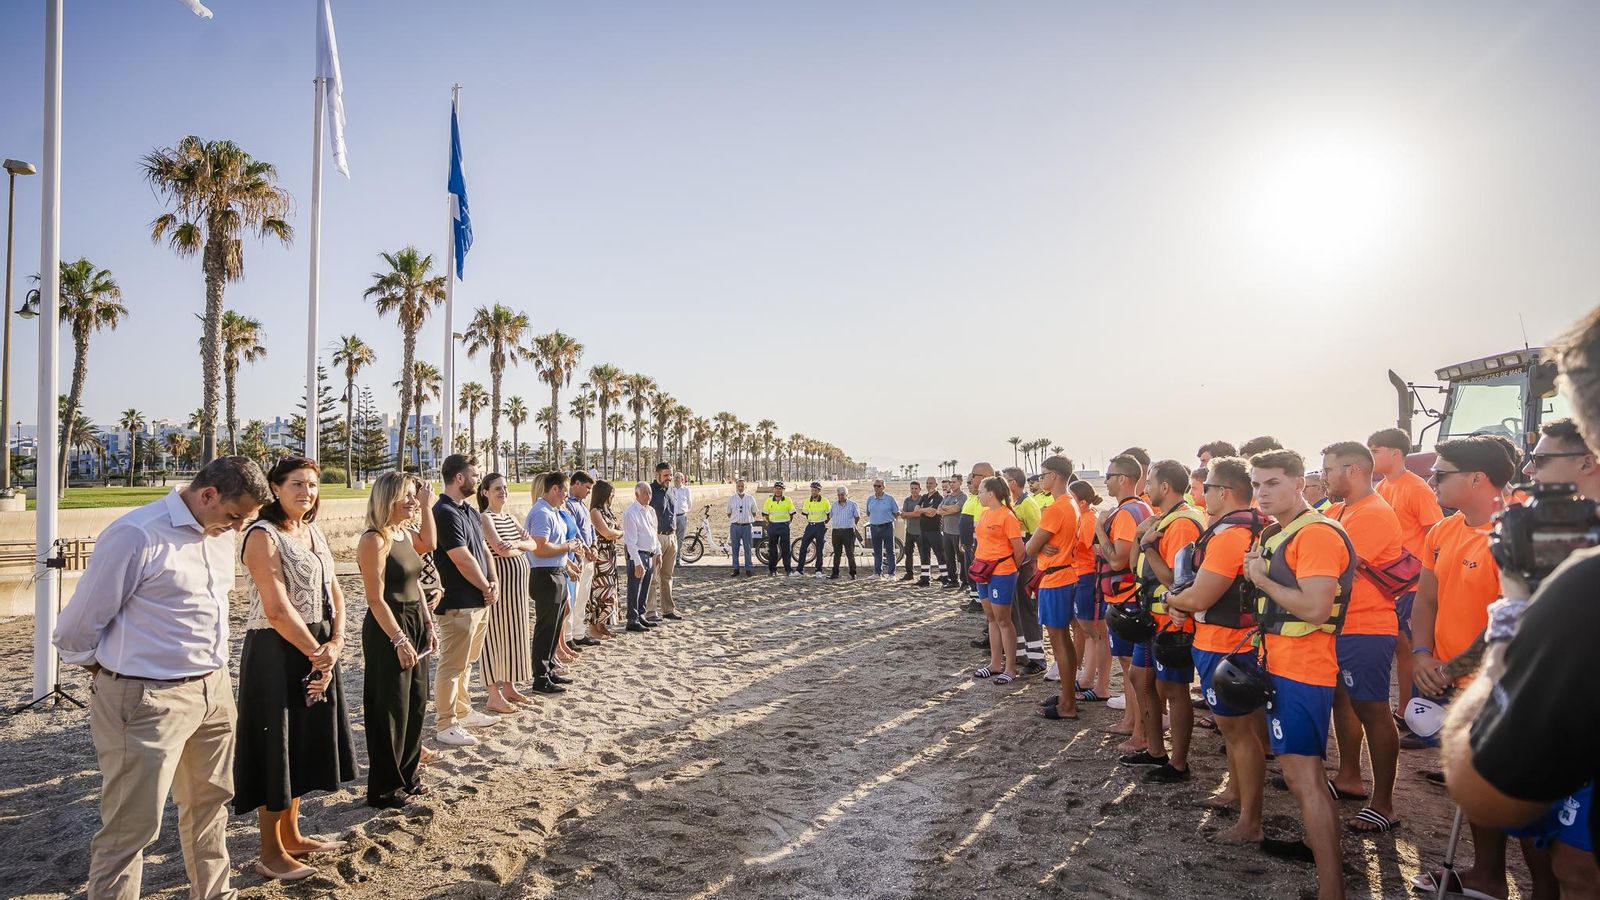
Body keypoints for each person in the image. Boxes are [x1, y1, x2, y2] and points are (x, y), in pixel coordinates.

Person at [53, 457, 272, 899]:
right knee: (131, 827)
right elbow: (75, 629)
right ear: (208, 494)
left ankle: (214, 894)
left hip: (213, 688)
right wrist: (117, 675)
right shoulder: (136, 534)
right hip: (145, 697)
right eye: (233, 516)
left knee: (211, 806)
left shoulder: (216, 534)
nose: (236, 529)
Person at [1447, 310, 1600, 885]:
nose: (1527, 470)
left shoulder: (1584, 578)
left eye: (1538, 459)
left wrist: (1515, 606)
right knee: (1569, 863)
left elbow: (1485, 792)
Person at [1412, 437, 1556, 898]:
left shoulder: (1520, 530)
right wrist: (1421, 654)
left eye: (1441, 473)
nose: (1431, 480)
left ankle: (1546, 889)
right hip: (1458, 680)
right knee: (1474, 781)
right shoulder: (1442, 530)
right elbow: (1426, 599)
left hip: (1512, 682)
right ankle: (1486, 876)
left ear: (1477, 478)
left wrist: (1452, 665)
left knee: (1522, 793)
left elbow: (1512, 614)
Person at [233, 457, 356, 880]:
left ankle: (293, 835)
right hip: (276, 650)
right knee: (275, 745)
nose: (306, 492)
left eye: (312, 485)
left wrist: (336, 641)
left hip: (319, 645)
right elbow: (276, 607)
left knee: (301, 742)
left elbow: (334, 589)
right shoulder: (261, 535)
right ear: (275, 488)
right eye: (297, 485)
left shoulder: (311, 530)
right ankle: (270, 850)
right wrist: (315, 651)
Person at [1244, 449, 1352, 900]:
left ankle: (1331, 889)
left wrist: (1262, 580)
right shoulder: (1281, 532)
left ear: (1299, 484)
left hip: (1304, 669)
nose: (1262, 493)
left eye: (1272, 483)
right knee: (1300, 775)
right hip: (1282, 662)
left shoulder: (1318, 535)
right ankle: (1321, 859)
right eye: (1256, 484)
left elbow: (1313, 607)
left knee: (1303, 777)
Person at [1164, 456, 1267, 845]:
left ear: (1222, 492)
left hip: (1224, 644)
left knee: (1238, 732)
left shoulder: (1228, 535)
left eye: (1204, 487)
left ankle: (1249, 822)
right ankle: (1236, 793)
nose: (1200, 493)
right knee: (1243, 729)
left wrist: (1175, 601)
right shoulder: (1250, 527)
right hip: (1235, 641)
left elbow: (1204, 593)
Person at [1318, 442, 1406, 835]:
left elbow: (1337, 569)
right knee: (1344, 699)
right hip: (1343, 625)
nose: (1323, 477)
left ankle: (1384, 803)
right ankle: (1349, 776)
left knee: (1373, 709)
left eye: (1328, 470)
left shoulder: (1372, 513)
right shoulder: (1340, 509)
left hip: (1366, 626)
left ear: (1353, 470)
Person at [356, 472, 436, 810]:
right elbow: (375, 599)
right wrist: (399, 639)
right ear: (387, 497)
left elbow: (425, 554)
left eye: (414, 496)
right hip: (388, 626)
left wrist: (428, 623)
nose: (413, 501)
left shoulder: (404, 533)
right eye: (406, 495)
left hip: (415, 619)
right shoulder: (374, 540)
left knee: (416, 703)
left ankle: (408, 777)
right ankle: (385, 789)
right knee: (390, 709)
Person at [1126, 459, 1205, 783]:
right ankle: (1155, 750)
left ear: (1165, 487)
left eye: (1150, 482)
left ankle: (1179, 762)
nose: (1145, 489)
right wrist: (1139, 539)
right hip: (1153, 616)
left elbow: (1178, 580)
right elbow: (1134, 567)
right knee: (1144, 680)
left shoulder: (1183, 524)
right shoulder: (1163, 520)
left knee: (1173, 688)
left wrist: (1149, 547)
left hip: (1173, 620)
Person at [1369, 426, 1444, 715]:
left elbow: (1435, 534)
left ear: (1396, 453)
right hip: (1393, 584)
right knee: (1402, 649)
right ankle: (1404, 710)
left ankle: (1417, 714)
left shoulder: (1416, 488)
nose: (1370, 456)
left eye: (1375, 451)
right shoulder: (1385, 487)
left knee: (1414, 649)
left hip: (1413, 584)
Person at [430, 454, 500, 746]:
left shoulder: (469, 511)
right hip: (458, 600)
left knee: (468, 661)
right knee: (452, 663)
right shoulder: (443, 512)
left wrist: (493, 582)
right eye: (474, 474)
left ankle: (462, 710)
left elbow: (483, 550)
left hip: (478, 599)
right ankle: (445, 722)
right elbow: (460, 557)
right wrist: (485, 585)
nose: (478, 478)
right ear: (459, 478)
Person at [1095, 454, 1153, 749]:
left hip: (1128, 599)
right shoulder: (1141, 507)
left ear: (1123, 479)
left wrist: (1098, 532)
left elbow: (1118, 560)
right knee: (1129, 666)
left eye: (1108, 475)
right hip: (1126, 597)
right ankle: (1131, 721)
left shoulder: (1128, 512)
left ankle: (1140, 733)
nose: (1104, 480)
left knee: (1134, 669)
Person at [1026, 455, 1081, 721]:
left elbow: (1029, 547)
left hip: (1056, 577)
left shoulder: (1057, 508)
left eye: (1044, 473)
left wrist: (1039, 545)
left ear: (1055, 476)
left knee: (1059, 643)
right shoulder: (1071, 504)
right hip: (1066, 574)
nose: (1040, 478)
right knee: (1064, 642)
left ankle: (1068, 704)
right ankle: (1067, 697)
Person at [477, 473, 534, 713]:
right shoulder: (485, 517)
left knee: (515, 635)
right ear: (485, 493)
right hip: (500, 587)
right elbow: (500, 548)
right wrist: (517, 547)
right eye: (497, 488)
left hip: (518, 590)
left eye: (505, 488)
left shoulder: (510, 517)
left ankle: (510, 687)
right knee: (495, 636)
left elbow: (533, 544)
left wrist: (518, 545)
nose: (503, 492)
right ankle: (493, 693)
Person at [526, 472, 583, 691]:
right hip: (545, 574)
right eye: (565, 491)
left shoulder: (551, 511)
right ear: (554, 489)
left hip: (556, 571)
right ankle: (540, 678)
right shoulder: (541, 513)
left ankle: (549, 670)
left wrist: (567, 561)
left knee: (555, 625)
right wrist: (568, 547)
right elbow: (540, 548)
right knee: (545, 628)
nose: (566, 496)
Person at [972, 476, 1025, 685]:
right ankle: (995, 664)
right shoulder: (985, 514)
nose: (979, 495)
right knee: (991, 618)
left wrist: (1012, 569)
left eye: (981, 491)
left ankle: (1010, 668)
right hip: (982, 570)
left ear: (991, 493)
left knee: (1004, 620)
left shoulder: (1007, 516)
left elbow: (1019, 550)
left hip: (1002, 571)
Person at [1068, 479, 1110, 702]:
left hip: (1088, 578)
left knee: (1094, 631)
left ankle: (1092, 680)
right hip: (1082, 576)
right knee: (1089, 631)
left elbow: (1092, 551)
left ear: (1082, 502)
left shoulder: (1088, 519)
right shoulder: (1084, 517)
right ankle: (1087, 677)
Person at [1003, 466, 1046, 675]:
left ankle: (1037, 657)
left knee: (1028, 609)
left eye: (1005, 480)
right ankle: (1021, 652)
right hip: (1015, 563)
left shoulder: (1028, 504)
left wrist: (1032, 563)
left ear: (1012, 483)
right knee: (1016, 608)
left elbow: (1038, 534)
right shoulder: (1014, 504)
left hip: (1027, 563)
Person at [566, 471, 603, 640]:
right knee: (574, 598)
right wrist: (587, 548)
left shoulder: (582, 505)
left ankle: (579, 633)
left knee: (583, 598)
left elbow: (590, 528)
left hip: (589, 555)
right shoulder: (569, 504)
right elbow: (574, 530)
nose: (589, 492)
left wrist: (594, 545)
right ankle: (569, 635)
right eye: (587, 487)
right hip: (578, 557)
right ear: (577, 484)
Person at [587, 480, 623, 639]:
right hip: (601, 556)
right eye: (611, 492)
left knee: (609, 591)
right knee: (599, 591)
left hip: (610, 554)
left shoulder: (608, 511)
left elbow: (617, 529)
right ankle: (594, 627)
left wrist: (616, 533)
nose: (613, 495)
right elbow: (607, 532)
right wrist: (617, 533)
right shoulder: (595, 511)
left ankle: (602, 625)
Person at [623, 482, 661, 631]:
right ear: (637, 494)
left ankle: (641, 614)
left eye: (650, 493)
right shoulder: (631, 512)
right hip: (637, 555)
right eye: (645, 493)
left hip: (650, 553)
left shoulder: (651, 511)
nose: (648, 496)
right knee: (634, 588)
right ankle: (632, 619)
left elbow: (654, 532)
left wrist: (658, 552)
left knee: (645, 587)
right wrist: (637, 562)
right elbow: (630, 541)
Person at [648, 463, 681, 619]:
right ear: (657, 475)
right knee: (653, 577)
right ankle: (651, 611)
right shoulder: (649, 491)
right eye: (666, 475)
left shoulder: (671, 491)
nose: (669, 478)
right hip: (656, 537)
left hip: (671, 537)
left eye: (670, 475)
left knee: (667, 576)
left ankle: (668, 610)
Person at [915, 475, 947, 585]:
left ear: (936, 485)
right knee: (924, 554)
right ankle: (925, 578)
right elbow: (916, 510)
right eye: (927, 483)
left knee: (939, 554)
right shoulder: (924, 497)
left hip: (934, 530)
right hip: (923, 530)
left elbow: (932, 513)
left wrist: (922, 510)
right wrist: (926, 509)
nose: (929, 485)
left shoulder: (938, 498)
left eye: (931, 483)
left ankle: (945, 577)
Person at [796, 481, 832, 578]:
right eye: (812, 490)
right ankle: (799, 570)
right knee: (803, 547)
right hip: (810, 526)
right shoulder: (807, 501)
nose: (814, 492)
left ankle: (818, 570)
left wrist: (824, 522)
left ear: (819, 491)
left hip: (820, 526)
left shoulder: (825, 501)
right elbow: (805, 513)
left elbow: (829, 514)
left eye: (816, 490)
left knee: (819, 549)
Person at [865, 479, 899, 580]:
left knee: (890, 551)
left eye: (879, 486)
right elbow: (868, 513)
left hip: (887, 527)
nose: (876, 488)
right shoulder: (870, 499)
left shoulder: (890, 499)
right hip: (874, 527)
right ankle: (877, 573)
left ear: (883, 487)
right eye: (875, 486)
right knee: (877, 551)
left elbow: (897, 513)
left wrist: (890, 521)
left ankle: (891, 574)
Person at [763, 480, 798, 576]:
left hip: (784, 526)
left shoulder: (788, 500)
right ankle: (772, 570)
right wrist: (770, 523)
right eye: (777, 488)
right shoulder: (769, 500)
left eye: (780, 489)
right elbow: (765, 515)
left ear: (783, 490)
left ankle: (788, 569)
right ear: (774, 489)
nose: (778, 490)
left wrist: (787, 523)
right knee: (772, 549)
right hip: (773, 526)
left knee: (786, 549)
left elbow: (791, 515)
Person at [937, 477, 966, 589]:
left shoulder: (962, 497)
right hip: (946, 531)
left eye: (954, 482)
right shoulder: (948, 497)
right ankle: (953, 580)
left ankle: (964, 580)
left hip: (957, 532)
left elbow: (957, 509)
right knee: (949, 557)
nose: (952, 484)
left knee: (961, 557)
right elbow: (938, 511)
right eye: (951, 482)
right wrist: (946, 509)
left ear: (960, 482)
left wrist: (945, 509)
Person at [726, 478, 758, 576]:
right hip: (735, 526)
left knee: (747, 548)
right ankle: (736, 568)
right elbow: (728, 513)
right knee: (735, 548)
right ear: (736, 487)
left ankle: (748, 568)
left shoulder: (750, 498)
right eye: (738, 486)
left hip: (747, 526)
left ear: (745, 487)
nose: (740, 488)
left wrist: (746, 519)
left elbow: (754, 512)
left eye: (742, 486)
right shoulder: (731, 499)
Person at [829, 486, 862, 579]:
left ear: (846, 495)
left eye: (842, 495)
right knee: (837, 553)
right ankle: (835, 573)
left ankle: (853, 573)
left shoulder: (853, 504)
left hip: (848, 532)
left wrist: (852, 525)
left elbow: (857, 517)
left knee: (850, 553)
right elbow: (830, 516)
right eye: (838, 495)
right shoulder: (834, 505)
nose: (840, 497)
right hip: (836, 532)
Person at [897, 480, 927, 582]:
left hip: (921, 532)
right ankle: (909, 574)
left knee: (923, 554)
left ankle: (924, 575)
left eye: (916, 488)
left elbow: (918, 514)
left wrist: (909, 514)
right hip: (909, 531)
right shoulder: (907, 500)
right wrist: (913, 513)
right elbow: (902, 515)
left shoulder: (923, 500)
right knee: (908, 553)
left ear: (919, 489)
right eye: (912, 488)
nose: (914, 490)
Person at [670, 472, 691, 548]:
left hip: (682, 517)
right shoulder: (670, 490)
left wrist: (684, 512)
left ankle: (678, 558)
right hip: (672, 517)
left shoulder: (686, 490)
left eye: (678, 477)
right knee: (671, 538)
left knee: (680, 538)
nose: (676, 478)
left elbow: (689, 503)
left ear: (682, 479)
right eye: (675, 477)